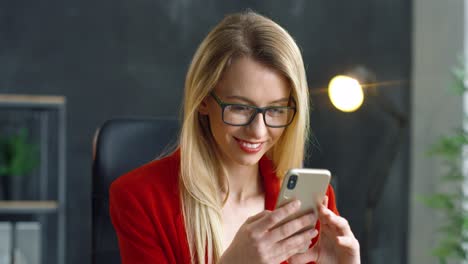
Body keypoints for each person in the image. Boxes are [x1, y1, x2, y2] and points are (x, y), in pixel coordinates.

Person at [109, 10, 360, 264]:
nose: (258, 131)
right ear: (204, 100)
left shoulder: (314, 201)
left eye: (275, 110)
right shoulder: (140, 198)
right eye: (240, 108)